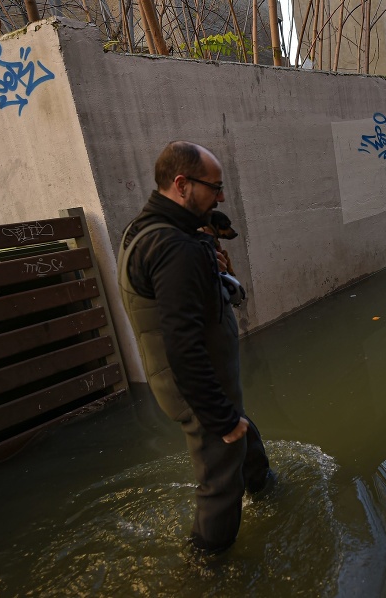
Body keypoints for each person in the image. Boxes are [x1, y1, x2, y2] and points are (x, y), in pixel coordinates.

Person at [117, 141, 274, 553]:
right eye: (215, 187)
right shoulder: (174, 247)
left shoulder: (152, 231)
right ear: (182, 184)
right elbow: (182, 345)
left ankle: (266, 489)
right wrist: (220, 418)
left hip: (207, 385)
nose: (221, 197)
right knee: (221, 484)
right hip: (198, 389)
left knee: (246, 440)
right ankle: (205, 569)